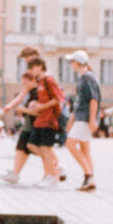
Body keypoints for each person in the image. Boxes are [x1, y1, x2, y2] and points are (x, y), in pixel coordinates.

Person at [5, 47, 64, 181]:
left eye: (29, 59)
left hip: (41, 116)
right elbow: (23, 92)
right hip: (35, 116)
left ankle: (52, 170)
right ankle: (17, 173)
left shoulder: (44, 77)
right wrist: (11, 105)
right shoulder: (34, 74)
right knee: (27, 145)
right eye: (26, 60)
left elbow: (56, 98)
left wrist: (38, 106)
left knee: (41, 146)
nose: (27, 63)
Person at [25, 57, 64, 188]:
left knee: (45, 148)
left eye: (32, 68)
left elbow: (57, 99)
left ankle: (51, 175)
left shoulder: (48, 80)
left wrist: (40, 107)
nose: (31, 71)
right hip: (41, 119)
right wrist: (36, 103)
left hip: (49, 120)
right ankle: (52, 169)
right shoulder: (40, 81)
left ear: (40, 66)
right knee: (33, 145)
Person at [64, 50, 100, 192]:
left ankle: (88, 174)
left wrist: (92, 119)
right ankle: (90, 179)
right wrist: (72, 119)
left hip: (85, 118)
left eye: (72, 62)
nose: (71, 64)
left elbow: (93, 99)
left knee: (70, 143)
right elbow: (80, 102)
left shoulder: (87, 78)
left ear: (77, 63)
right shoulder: (85, 78)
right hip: (82, 117)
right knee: (85, 149)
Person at [0, 71, 40, 184]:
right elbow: (21, 96)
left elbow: (37, 112)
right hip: (28, 124)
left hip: (34, 124)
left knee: (39, 149)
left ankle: (56, 165)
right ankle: (15, 173)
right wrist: (10, 106)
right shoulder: (30, 91)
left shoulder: (37, 93)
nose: (24, 86)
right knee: (21, 148)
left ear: (33, 81)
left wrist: (23, 110)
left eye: (26, 83)